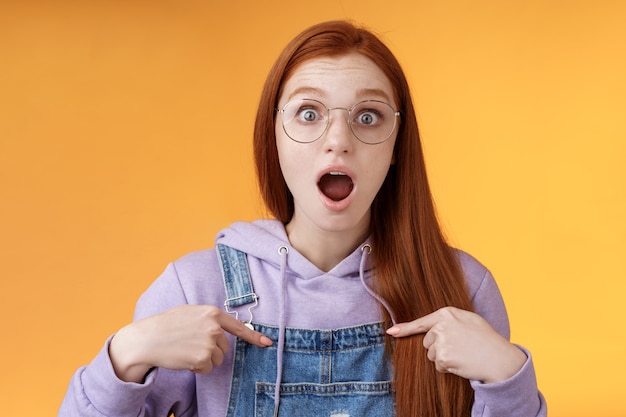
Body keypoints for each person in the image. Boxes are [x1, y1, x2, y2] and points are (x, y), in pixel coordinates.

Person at [59, 20, 547, 417]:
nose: (339, 139)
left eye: (369, 116)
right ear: (274, 136)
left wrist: (508, 377)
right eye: (309, 113)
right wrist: (126, 353)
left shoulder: (462, 289)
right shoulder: (197, 288)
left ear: (398, 147)